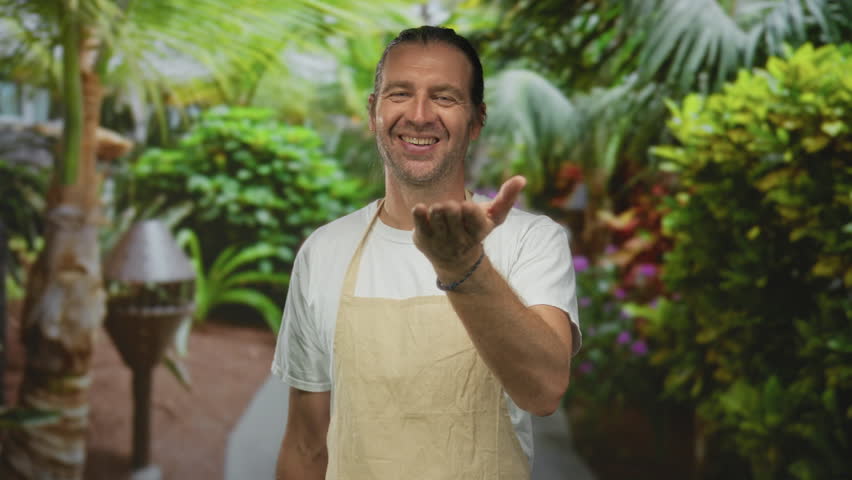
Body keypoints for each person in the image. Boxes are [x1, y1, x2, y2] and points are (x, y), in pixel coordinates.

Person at [272, 25, 581, 480]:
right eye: (400, 93)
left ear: (476, 121)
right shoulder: (324, 251)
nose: (419, 115)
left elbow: (544, 391)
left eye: (445, 97)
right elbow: (305, 443)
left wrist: (464, 266)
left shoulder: (530, 240)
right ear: (373, 111)